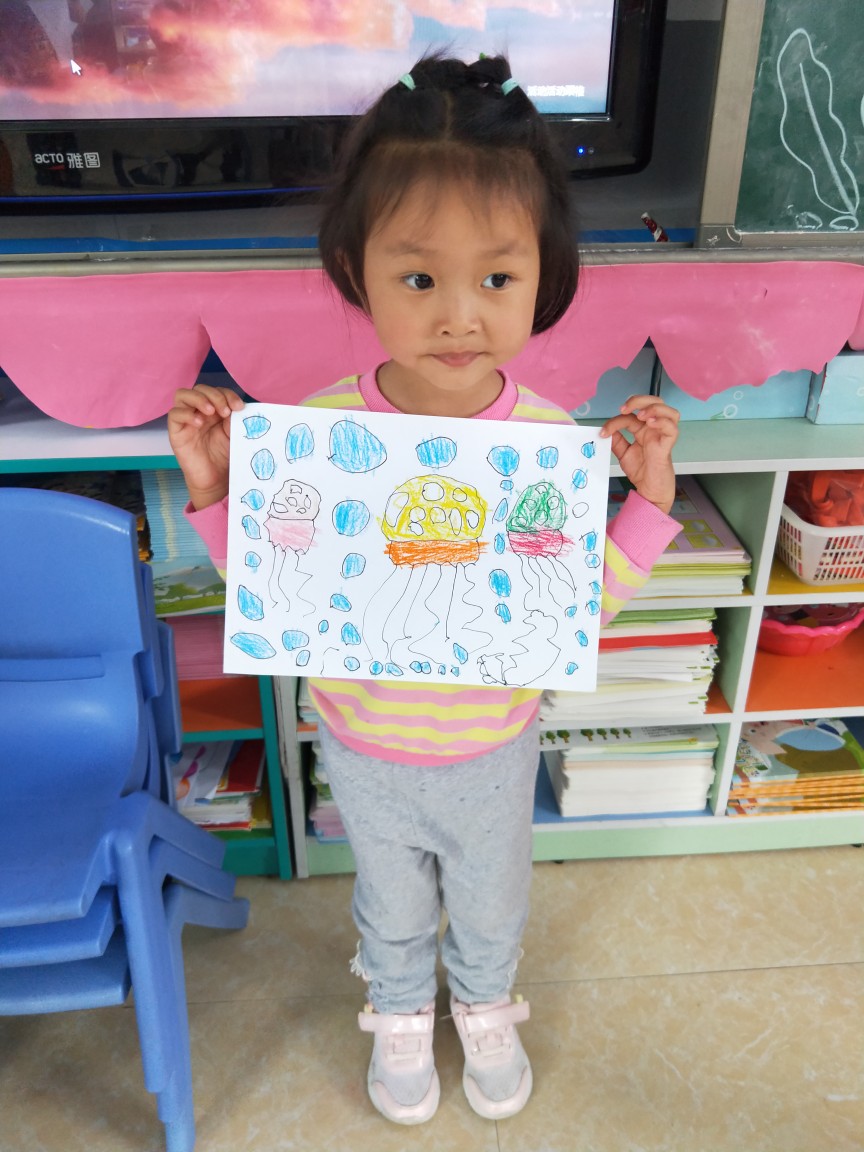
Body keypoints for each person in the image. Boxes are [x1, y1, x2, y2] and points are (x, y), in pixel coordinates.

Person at [168, 53, 682, 1128]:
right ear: (355, 269)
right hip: (364, 746)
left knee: (491, 903)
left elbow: (568, 613)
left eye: (497, 279)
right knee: (390, 902)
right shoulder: (318, 431)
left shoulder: (545, 441)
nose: (459, 317)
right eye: (418, 279)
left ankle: (485, 1005)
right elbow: (283, 590)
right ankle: (402, 1012)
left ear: (546, 276)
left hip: (491, 749)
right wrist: (216, 493)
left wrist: (645, 505)